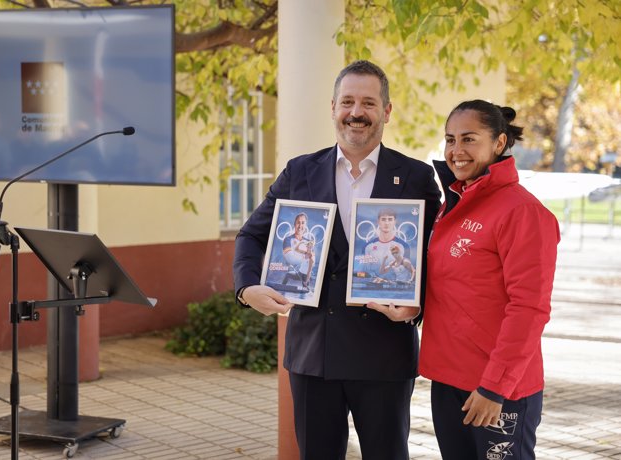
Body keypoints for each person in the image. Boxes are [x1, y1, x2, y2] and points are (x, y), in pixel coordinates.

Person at [233, 60, 441, 459]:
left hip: (384, 353)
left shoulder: (415, 177)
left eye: (368, 102)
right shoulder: (300, 171)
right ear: (333, 107)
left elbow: (434, 256)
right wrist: (246, 288)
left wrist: (418, 307)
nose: (356, 112)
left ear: (387, 111)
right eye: (347, 101)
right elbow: (251, 235)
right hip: (314, 353)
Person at [418, 100, 560, 460]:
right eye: (450, 140)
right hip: (449, 380)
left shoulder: (523, 212)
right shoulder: (453, 204)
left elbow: (529, 308)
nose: (456, 151)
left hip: (497, 388)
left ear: (498, 143)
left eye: (469, 139)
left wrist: (494, 388)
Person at [362, 208, 411, 283]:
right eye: (383, 219)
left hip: (395, 291)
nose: (387, 223)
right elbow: (364, 272)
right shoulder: (368, 246)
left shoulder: (403, 246)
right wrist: (373, 280)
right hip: (372, 289)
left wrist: (387, 282)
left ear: (395, 222)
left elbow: (405, 275)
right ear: (378, 221)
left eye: (390, 219)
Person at [281, 213, 316, 290]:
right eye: (298, 223)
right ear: (294, 224)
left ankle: (306, 287)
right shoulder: (288, 240)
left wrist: (307, 279)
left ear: (306, 225)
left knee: (306, 283)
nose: (300, 226)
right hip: (299, 273)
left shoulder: (308, 245)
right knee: (288, 275)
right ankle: (282, 287)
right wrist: (300, 243)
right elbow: (291, 259)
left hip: (305, 275)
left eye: (303, 223)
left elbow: (310, 269)